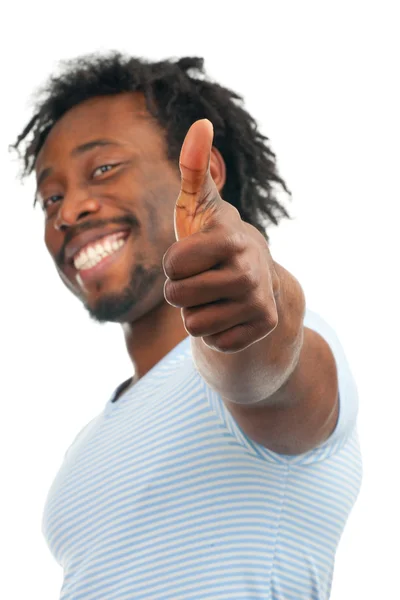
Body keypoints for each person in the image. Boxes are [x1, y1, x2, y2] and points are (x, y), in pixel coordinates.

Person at [13, 53, 362, 600]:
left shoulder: (287, 343)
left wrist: (259, 304)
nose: (68, 210)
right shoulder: (90, 439)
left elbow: (264, 369)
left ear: (204, 176)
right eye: (51, 197)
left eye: (103, 169)